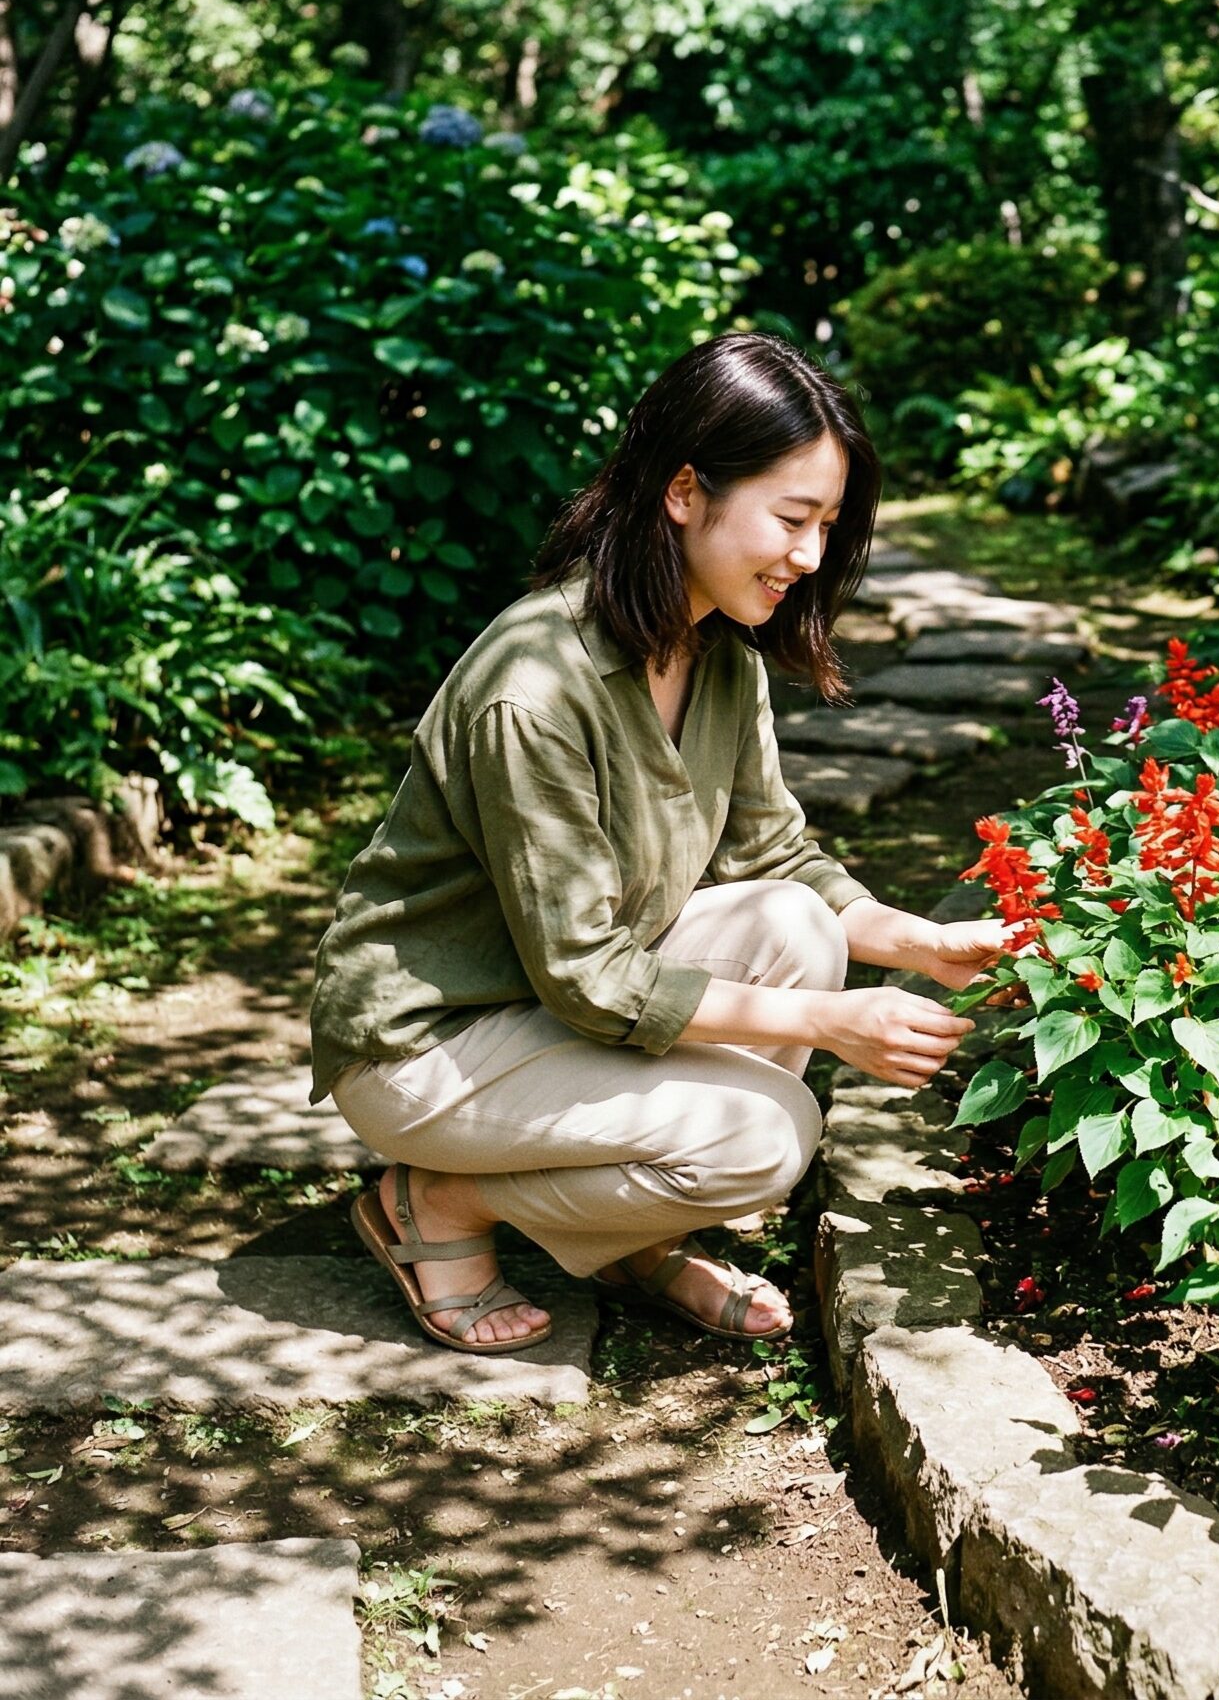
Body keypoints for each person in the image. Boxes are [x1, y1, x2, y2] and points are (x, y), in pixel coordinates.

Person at [308, 331, 1007, 1351]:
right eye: (792, 518)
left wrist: (918, 944)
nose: (810, 558)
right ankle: (438, 1203)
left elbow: (777, 860)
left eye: (826, 526)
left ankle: (634, 1225)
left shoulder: (721, 655)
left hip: (545, 1012)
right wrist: (830, 1015)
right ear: (684, 491)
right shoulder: (534, 688)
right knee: (767, 1132)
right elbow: (590, 974)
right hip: (431, 1043)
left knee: (794, 921)